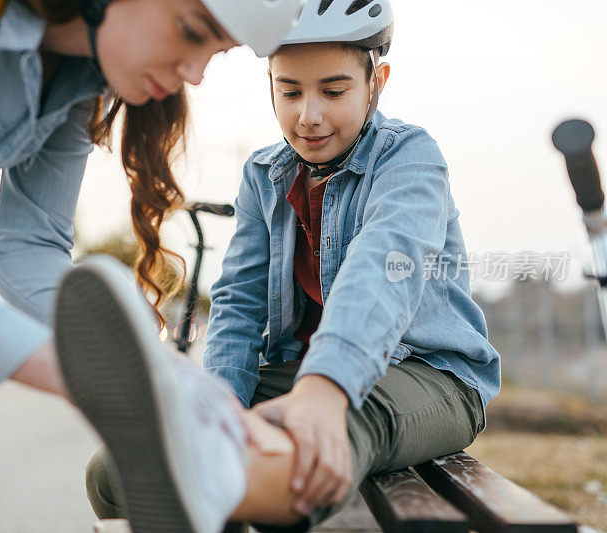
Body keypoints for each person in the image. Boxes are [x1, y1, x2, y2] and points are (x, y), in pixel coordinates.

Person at [0, 0, 305, 530]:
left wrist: (166, 374)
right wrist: (86, 374)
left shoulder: (84, 79)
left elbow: (31, 251)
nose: (196, 73)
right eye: (190, 31)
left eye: (217, 51)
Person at [81, 0, 501, 531]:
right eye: (289, 91)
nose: (309, 116)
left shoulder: (410, 158)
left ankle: (225, 490)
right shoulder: (264, 174)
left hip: (427, 374)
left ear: (378, 81)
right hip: (302, 376)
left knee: (311, 452)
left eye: (333, 90)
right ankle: (215, 485)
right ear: (270, 84)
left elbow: (381, 270)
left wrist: (325, 390)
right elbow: (239, 300)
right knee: (112, 473)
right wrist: (224, 405)